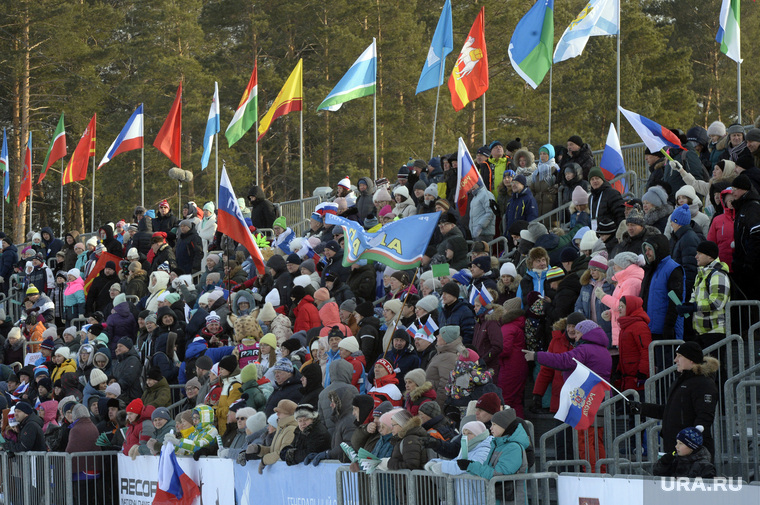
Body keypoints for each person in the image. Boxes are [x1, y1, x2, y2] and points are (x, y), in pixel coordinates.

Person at [524, 320, 611, 472]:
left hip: (586, 399)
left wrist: (537, 356)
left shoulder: (585, 349)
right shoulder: (603, 350)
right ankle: (600, 471)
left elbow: (564, 360)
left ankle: (591, 474)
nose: (574, 337)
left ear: (585, 333)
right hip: (598, 398)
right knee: (596, 439)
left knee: (585, 440)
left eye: (577, 333)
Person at [633, 341, 719, 469]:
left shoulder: (703, 383)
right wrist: (641, 408)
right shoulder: (681, 381)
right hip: (676, 448)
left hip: (692, 453)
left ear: (691, 360)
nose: (675, 360)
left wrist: (690, 443)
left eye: (679, 356)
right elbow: (669, 411)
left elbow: (704, 417)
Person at [676, 241, 731, 349]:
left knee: (715, 365)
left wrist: (694, 307)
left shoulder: (718, 275)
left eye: (699, 253)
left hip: (715, 331)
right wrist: (687, 306)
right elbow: (694, 297)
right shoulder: (700, 275)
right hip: (701, 331)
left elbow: (717, 302)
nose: (696, 256)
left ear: (710, 257)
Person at [730, 174, 760, 300]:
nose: (732, 192)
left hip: (753, 268)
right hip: (742, 265)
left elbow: (757, 235)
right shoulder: (742, 207)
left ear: (744, 189)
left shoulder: (752, 207)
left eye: (735, 189)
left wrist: (749, 263)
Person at [652, 427, 717, 478]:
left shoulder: (705, 466)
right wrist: (664, 462)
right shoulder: (674, 460)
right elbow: (657, 474)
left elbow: (708, 488)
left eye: (681, 443)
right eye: (677, 443)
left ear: (692, 447)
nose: (676, 446)